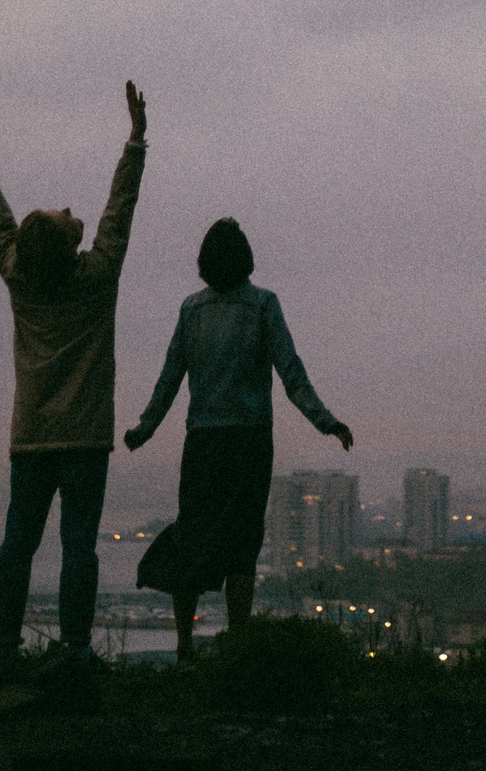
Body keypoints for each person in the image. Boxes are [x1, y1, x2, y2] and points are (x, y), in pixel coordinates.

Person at [0, 81, 146, 659]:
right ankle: (73, 649)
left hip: (33, 437)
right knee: (79, 549)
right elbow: (119, 212)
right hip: (86, 438)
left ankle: (4, 647)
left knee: (17, 544)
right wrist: (135, 142)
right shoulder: (97, 279)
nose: (70, 210)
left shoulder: (19, 276)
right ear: (69, 244)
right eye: (63, 216)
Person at [125, 217, 352, 659]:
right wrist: (326, 421)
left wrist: (144, 429)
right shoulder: (263, 305)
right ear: (247, 259)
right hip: (249, 443)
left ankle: (184, 645)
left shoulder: (191, 310)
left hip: (203, 444)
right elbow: (291, 371)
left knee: (192, 539)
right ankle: (240, 644)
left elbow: (169, 379)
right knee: (243, 544)